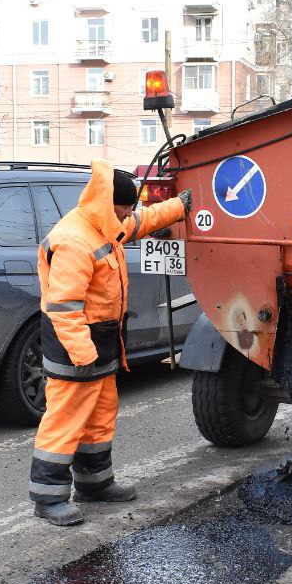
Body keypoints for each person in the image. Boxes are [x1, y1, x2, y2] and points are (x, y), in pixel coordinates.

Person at [28, 161, 191, 526]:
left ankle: (95, 484)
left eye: (130, 207)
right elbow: (64, 307)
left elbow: (144, 221)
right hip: (76, 344)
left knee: (101, 416)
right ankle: (49, 497)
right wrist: (82, 352)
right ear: (106, 202)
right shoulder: (74, 239)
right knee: (66, 420)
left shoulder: (106, 225)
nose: (128, 214)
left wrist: (179, 206)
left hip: (102, 339)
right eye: (124, 206)